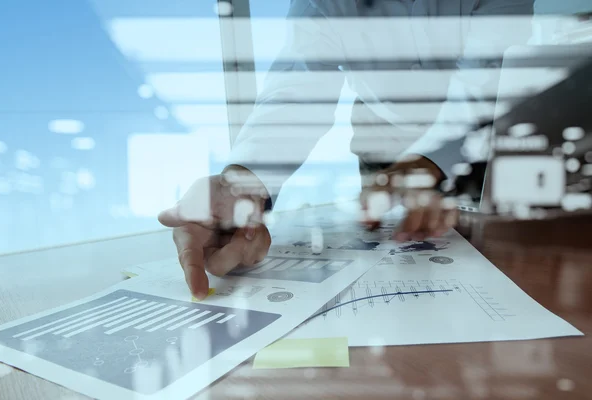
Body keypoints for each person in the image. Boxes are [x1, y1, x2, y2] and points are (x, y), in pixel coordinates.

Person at [159, 0, 534, 299]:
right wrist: (241, 185)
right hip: (382, 133)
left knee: (503, 254)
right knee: (401, 253)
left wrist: (432, 161)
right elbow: (297, 87)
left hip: (487, 130)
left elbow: (490, 76)